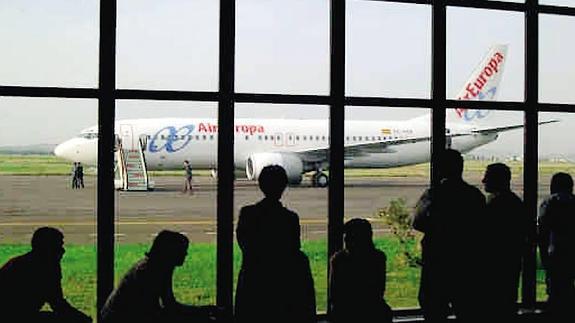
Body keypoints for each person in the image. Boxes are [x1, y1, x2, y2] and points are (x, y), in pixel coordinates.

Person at [412, 149, 486, 323]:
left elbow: (418, 222)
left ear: (439, 169)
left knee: (434, 308)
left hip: (437, 261)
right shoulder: (474, 195)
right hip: (466, 263)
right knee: (467, 308)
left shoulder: (434, 194)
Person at [235, 165, 316, 323]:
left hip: (253, 281)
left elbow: (244, 243)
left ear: (260, 184)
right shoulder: (290, 218)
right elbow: (293, 248)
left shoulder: (247, 214)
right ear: (284, 186)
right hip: (283, 285)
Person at [100, 230, 219, 323]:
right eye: (182, 250)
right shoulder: (150, 272)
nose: (185, 254)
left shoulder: (156, 266)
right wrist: (201, 313)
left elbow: (168, 306)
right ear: (171, 252)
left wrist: (202, 311)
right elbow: (160, 311)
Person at [0, 227, 92, 323]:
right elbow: (58, 305)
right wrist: (83, 319)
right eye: (58, 246)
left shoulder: (19, 263)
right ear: (49, 249)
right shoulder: (47, 269)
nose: (63, 250)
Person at [482, 163, 527, 322]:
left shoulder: (493, 204)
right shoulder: (515, 203)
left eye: (487, 177)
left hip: (493, 268)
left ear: (496, 180)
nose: (483, 180)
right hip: (509, 265)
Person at [329, 218, 392, 323]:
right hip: (372, 310)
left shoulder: (339, 260)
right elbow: (379, 290)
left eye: (349, 237)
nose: (346, 240)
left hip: (345, 312)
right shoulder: (378, 258)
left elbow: (335, 294)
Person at [538, 172, 575, 321]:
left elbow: (543, 230)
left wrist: (544, 254)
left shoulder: (549, 202)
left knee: (556, 287)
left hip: (556, 251)